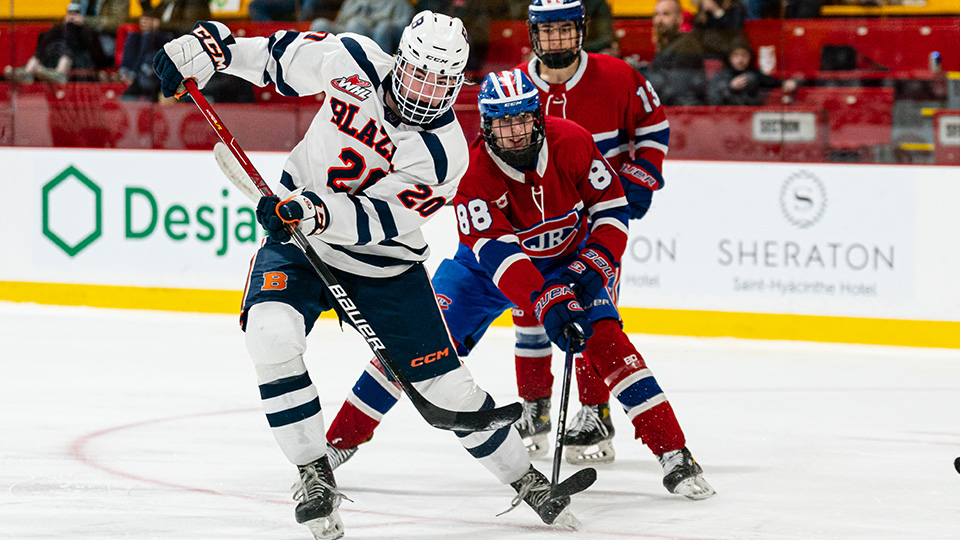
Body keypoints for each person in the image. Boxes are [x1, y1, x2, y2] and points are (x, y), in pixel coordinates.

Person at [153, 11, 586, 539]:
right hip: (299, 245)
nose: (429, 90)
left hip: (384, 261)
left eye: (443, 81)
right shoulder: (352, 59)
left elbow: (381, 217)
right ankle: (314, 473)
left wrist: (313, 209)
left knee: (447, 389)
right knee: (269, 333)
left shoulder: (445, 152)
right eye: (421, 73)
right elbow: (274, 58)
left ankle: (527, 479)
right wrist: (211, 52)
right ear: (400, 61)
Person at [325, 68, 715, 502]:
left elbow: (611, 210)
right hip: (481, 275)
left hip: (570, 262)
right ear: (486, 126)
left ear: (537, 117)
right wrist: (549, 300)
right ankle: (338, 444)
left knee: (609, 342)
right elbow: (500, 257)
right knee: (411, 345)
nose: (512, 132)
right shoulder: (471, 170)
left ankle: (675, 453)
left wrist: (590, 268)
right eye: (501, 122)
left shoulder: (573, 141)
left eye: (521, 119)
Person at [4, 2, 112, 85]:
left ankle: (60, 71)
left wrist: (84, 20)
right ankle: (30, 69)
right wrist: (70, 18)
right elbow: (72, 12)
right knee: (58, 29)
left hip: (102, 44)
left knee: (73, 27)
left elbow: (115, 23)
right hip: (79, 42)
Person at [640, 0, 707, 106]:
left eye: (666, 14)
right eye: (657, 14)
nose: (660, 19)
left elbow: (675, 89)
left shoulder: (687, 44)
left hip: (686, 114)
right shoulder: (664, 47)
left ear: (679, 18)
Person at [707, 39, 797, 106]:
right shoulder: (721, 76)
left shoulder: (756, 74)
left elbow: (773, 82)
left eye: (744, 55)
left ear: (750, 57)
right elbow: (713, 100)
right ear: (729, 58)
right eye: (736, 55)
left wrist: (788, 83)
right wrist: (730, 87)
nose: (740, 60)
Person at [310, 0, 413, 55]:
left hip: (376, 35)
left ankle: (360, 69)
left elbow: (405, 28)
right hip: (349, 29)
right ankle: (315, 70)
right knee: (319, 24)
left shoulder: (398, 3)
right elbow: (341, 21)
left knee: (356, 25)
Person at [119, 7, 174, 101]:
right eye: (143, 19)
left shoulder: (163, 36)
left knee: (148, 37)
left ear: (156, 22)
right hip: (140, 76)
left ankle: (134, 73)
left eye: (147, 19)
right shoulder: (138, 36)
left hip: (153, 76)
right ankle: (126, 71)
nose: (144, 22)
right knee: (133, 35)